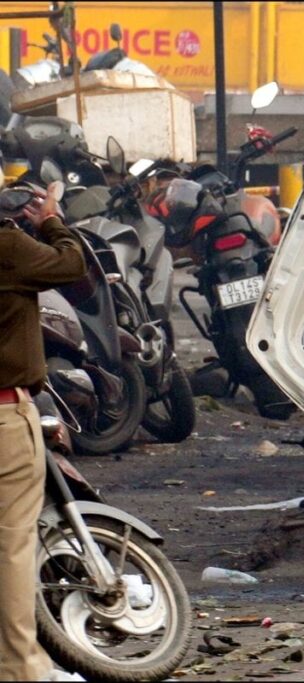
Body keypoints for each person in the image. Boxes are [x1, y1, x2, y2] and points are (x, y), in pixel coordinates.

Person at [0, 182, 87, 681]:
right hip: (6, 415)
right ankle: (21, 669)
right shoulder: (8, 246)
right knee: (12, 548)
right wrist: (50, 217)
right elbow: (72, 266)